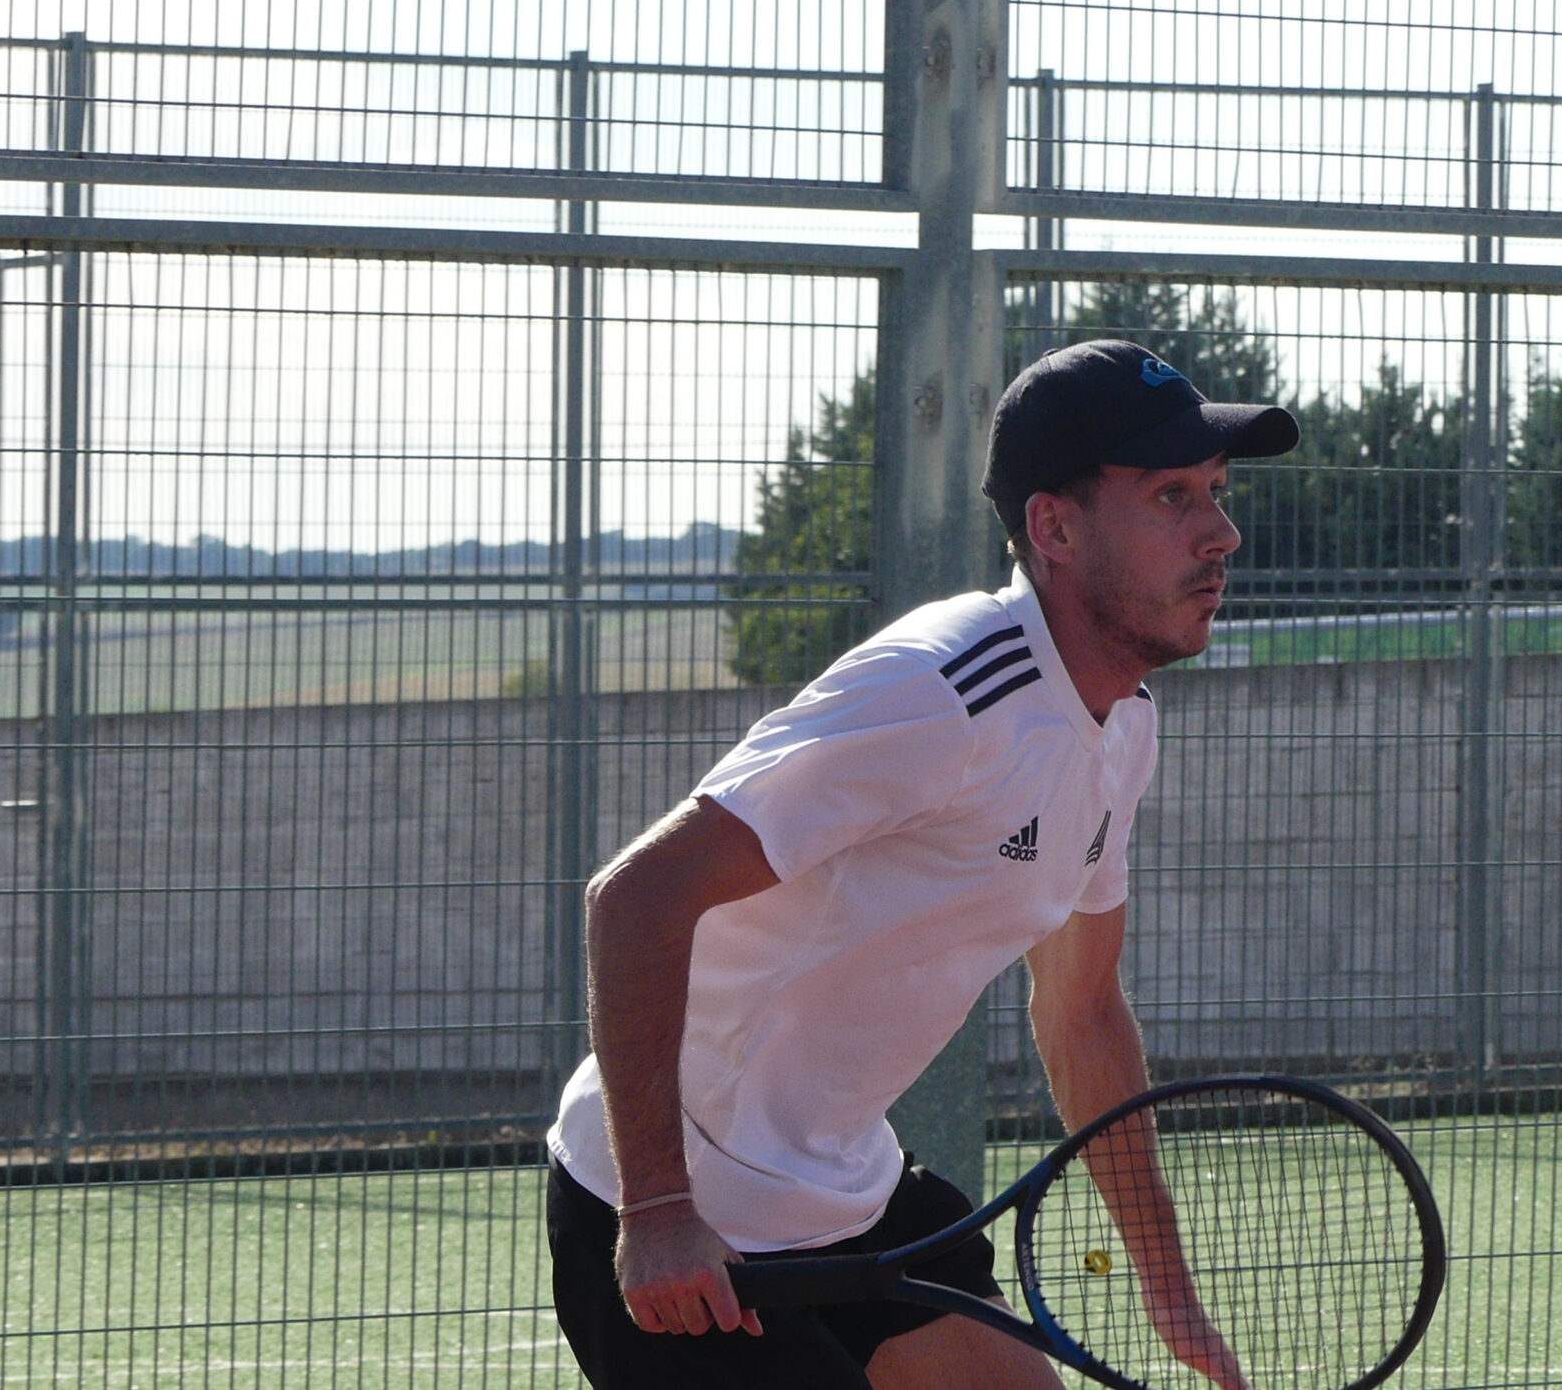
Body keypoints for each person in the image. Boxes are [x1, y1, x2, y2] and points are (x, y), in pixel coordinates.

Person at [544, 338, 1300, 1389]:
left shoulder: (1123, 724)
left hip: (850, 1194)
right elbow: (635, 897)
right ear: (1055, 527)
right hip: (679, 1224)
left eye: (1216, 490)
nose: (1221, 532)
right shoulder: (940, 690)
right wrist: (662, 1209)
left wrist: (1165, 1284)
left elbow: (1081, 1010)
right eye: (1173, 496)